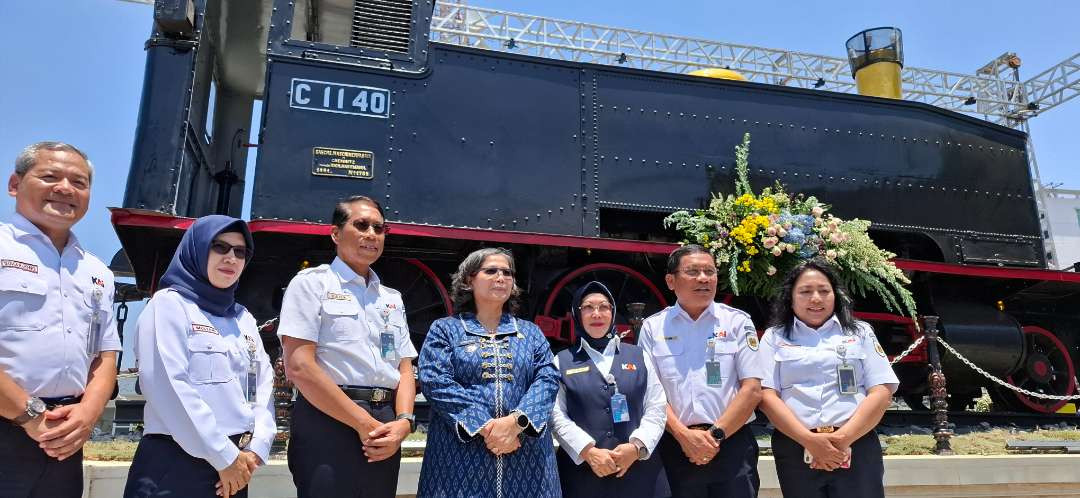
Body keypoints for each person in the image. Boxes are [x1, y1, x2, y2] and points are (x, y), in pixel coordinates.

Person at [124, 215, 275, 498]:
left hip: (236, 467)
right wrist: (224, 456)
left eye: (240, 252)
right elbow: (170, 387)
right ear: (197, 249)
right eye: (220, 247)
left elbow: (260, 386)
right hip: (176, 464)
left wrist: (256, 448)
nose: (231, 257)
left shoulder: (242, 318)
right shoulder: (169, 306)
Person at [0, 141, 120, 497]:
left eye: (79, 182)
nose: (66, 188)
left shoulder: (97, 271)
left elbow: (106, 353)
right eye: (50, 176)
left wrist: (88, 414)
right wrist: (30, 415)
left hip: (67, 437)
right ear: (14, 184)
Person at [278, 195, 417, 498]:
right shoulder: (311, 284)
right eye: (361, 225)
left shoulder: (391, 298)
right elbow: (299, 366)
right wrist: (362, 422)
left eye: (379, 229)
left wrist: (404, 422)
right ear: (335, 233)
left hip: (383, 425)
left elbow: (405, 368)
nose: (371, 234)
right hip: (328, 420)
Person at [418, 247, 560, 498]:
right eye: (491, 270)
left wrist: (516, 423)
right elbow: (435, 381)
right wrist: (486, 427)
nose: (501, 277)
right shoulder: (445, 330)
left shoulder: (531, 332)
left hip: (524, 452)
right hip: (460, 456)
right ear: (468, 280)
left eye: (507, 272)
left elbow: (548, 378)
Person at [757, 259, 899, 498]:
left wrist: (843, 439)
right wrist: (810, 441)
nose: (816, 298)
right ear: (790, 297)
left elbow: (882, 390)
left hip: (856, 443)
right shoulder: (773, 337)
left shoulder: (860, 332)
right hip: (796, 447)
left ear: (836, 295)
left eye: (824, 291)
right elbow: (766, 395)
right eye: (805, 291)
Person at [638, 244, 767, 498]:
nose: (703, 278)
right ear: (670, 281)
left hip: (731, 444)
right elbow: (650, 393)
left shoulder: (738, 322)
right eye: (693, 271)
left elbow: (752, 390)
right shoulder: (653, 328)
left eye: (710, 271)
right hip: (675, 446)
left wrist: (716, 435)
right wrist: (684, 436)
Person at [551, 281, 669, 498]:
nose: (597, 314)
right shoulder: (561, 361)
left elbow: (657, 406)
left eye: (604, 307)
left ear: (613, 313)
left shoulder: (638, 355)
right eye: (588, 307)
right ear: (577, 314)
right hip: (584, 477)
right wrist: (588, 451)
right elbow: (556, 415)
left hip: (641, 475)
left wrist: (636, 447)